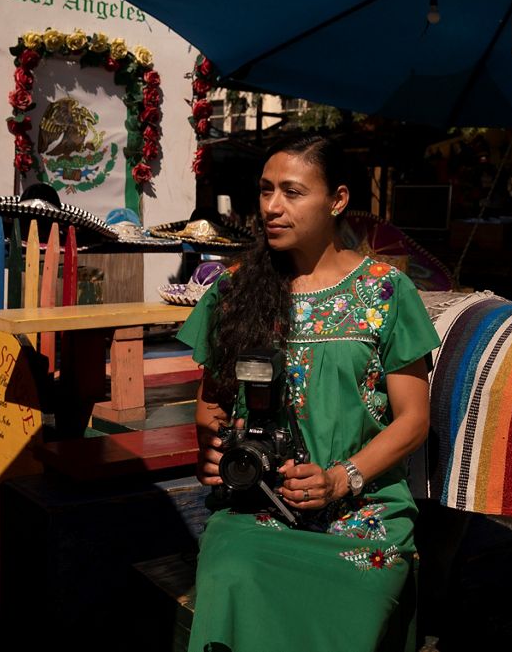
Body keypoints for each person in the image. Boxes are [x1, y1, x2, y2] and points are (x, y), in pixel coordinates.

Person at [176, 135, 442, 651]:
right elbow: (210, 404)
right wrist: (215, 448)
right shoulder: (233, 290)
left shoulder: (385, 291)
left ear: (337, 200)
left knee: (353, 597)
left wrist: (340, 480)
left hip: (361, 512)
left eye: (292, 192)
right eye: (266, 190)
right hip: (256, 512)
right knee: (233, 574)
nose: (272, 207)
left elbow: (413, 420)